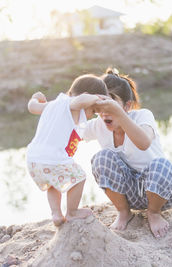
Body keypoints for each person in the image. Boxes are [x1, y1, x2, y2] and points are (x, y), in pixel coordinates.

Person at [81, 68, 172, 238]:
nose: (105, 111)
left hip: (164, 192)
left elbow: (144, 143)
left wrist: (119, 114)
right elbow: (71, 130)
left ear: (127, 105)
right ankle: (124, 212)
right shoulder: (98, 125)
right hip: (133, 196)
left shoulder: (143, 116)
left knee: (161, 165)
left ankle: (154, 213)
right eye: (100, 104)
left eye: (111, 103)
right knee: (101, 158)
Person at [26, 74, 108, 226]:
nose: (91, 116)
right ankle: (72, 212)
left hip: (33, 159)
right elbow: (80, 101)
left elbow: (32, 107)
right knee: (80, 177)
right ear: (86, 97)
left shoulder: (52, 105)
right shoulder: (73, 105)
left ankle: (56, 214)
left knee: (53, 183)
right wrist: (97, 98)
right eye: (93, 111)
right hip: (52, 158)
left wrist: (35, 98)